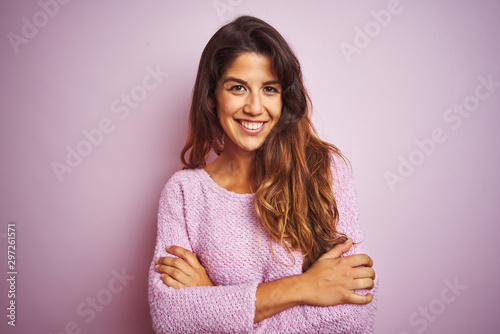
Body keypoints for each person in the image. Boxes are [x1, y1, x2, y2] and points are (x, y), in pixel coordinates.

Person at [148, 15, 377, 333]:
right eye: (238, 87)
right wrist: (306, 287)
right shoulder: (184, 193)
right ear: (212, 96)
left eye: (269, 89)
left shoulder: (323, 171)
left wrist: (213, 302)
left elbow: (353, 315)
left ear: (285, 98)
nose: (255, 107)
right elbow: (171, 320)